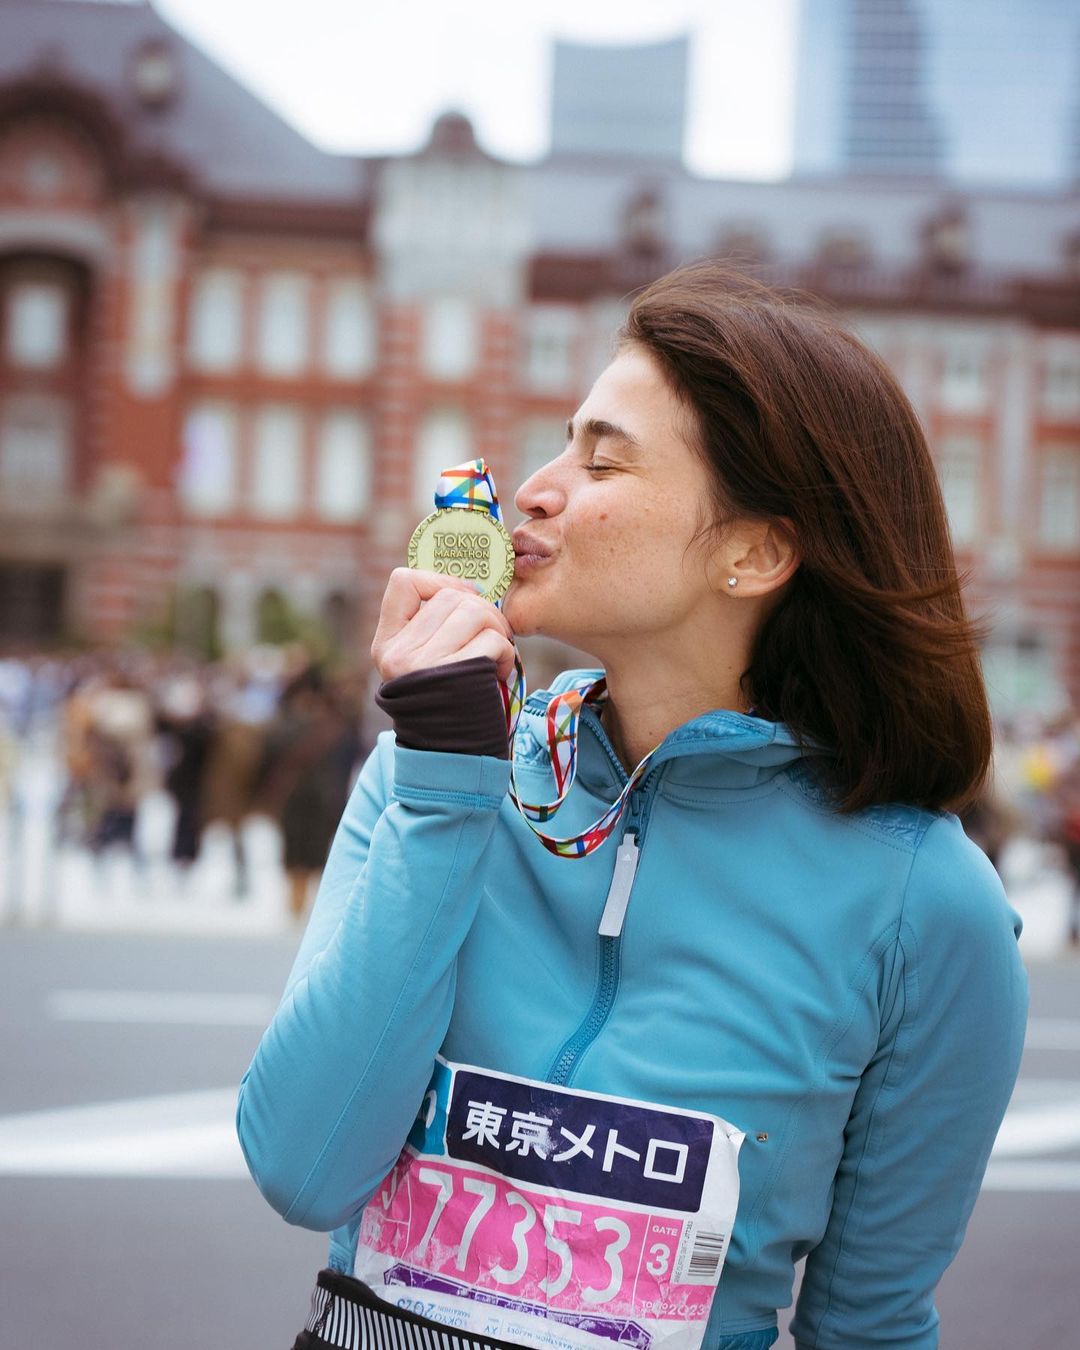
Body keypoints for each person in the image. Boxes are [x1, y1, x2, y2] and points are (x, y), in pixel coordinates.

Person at [237, 265, 1028, 1350]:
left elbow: (870, 1325)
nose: (535, 489)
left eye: (603, 458)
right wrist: (443, 778)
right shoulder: (434, 778)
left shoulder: (926, 902)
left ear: (755, 550)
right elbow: (301, 1166)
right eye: (563, 444)